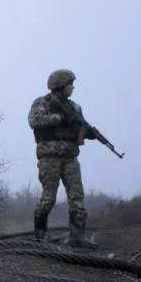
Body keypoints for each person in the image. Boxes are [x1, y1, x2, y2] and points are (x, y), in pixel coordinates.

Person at [27, 69, 98, 249]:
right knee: (49, 196)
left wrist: (87, 133)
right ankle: (40, 235)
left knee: (76, 195)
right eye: (70, 84)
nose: (73, 88)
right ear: (60, 85)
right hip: (49, 156)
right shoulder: (43, 102)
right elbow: (35, 121)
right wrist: (59, 119)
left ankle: (77, 236)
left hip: (70, 156)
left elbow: (79, 129)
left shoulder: (75, 108)